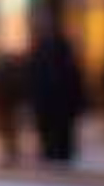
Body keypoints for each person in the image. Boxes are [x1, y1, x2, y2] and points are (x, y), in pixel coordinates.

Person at [26, 17, 83, 163]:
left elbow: (73, 78)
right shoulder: (44, 52)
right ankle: (56, 153)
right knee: (56, 130)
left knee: (58, 130)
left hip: (56, 101)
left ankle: (57, 153)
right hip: (52, 101)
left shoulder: (44, 52)